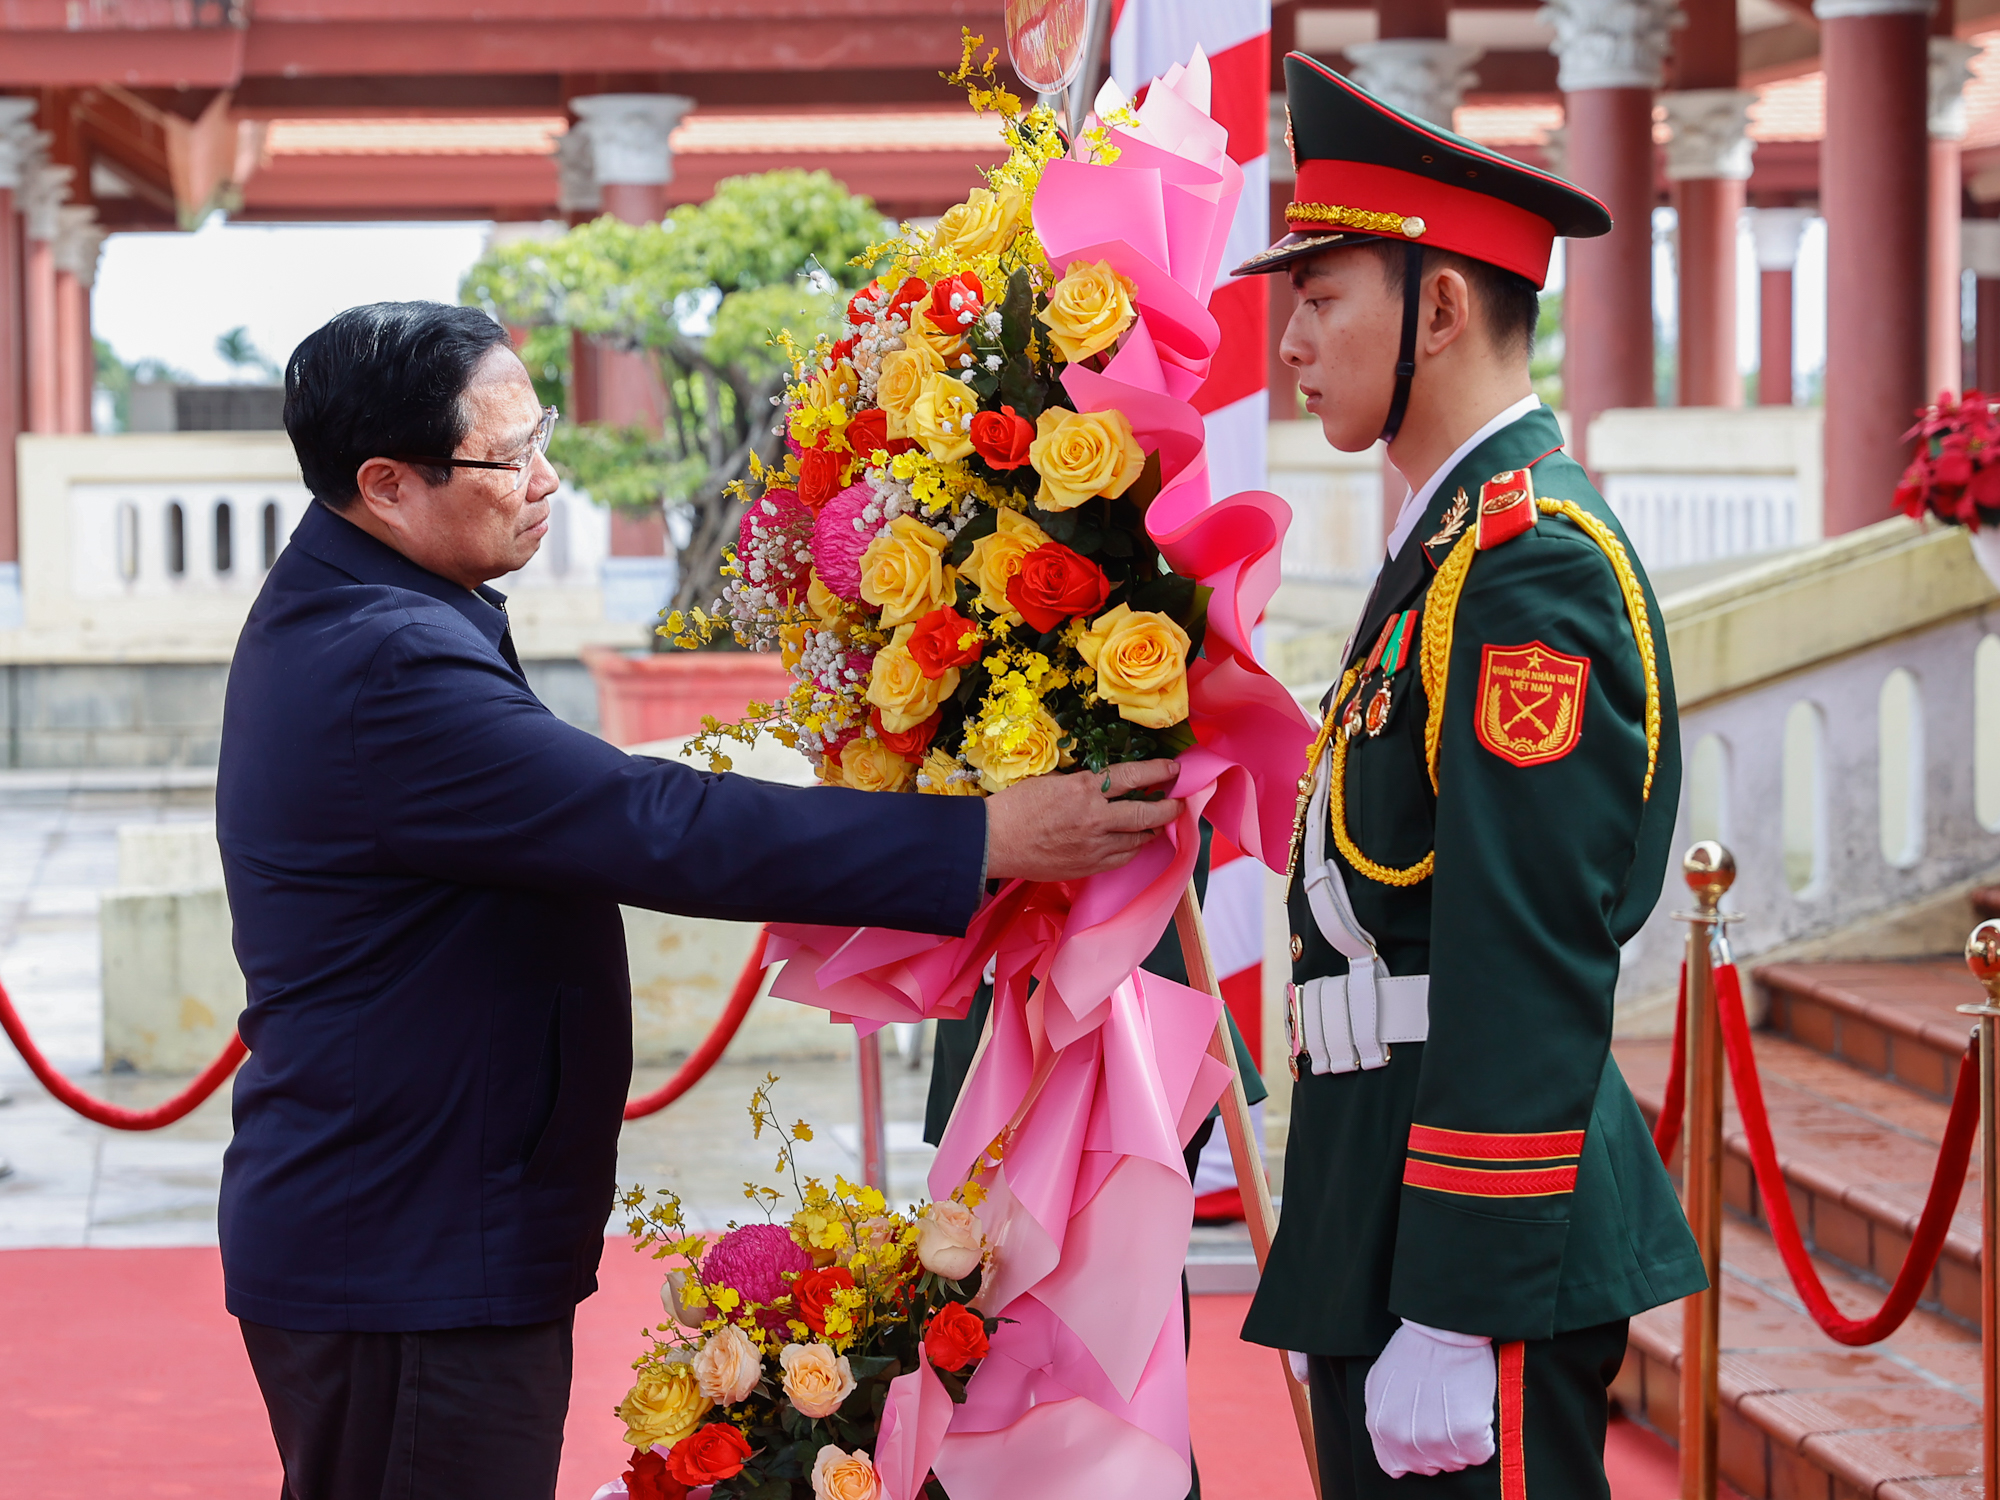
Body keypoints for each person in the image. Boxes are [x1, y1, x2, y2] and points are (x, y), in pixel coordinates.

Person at [216, 301, 1183, 1500]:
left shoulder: (369, 605)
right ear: (385, 483)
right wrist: (985, 833)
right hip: (407, 1243)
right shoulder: (384, 658)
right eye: (508, 457)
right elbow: (651, 824)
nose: (546, 477)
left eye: (542, 436)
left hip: (413, 1218)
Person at [1231, 59, 1705, 1500]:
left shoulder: (1527, 568)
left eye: (1322, 299)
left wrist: (1459, 1297)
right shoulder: (1446, 557)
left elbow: (1526, 940)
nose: (1293, 343)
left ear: (1437, 308)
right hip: (1386, 1188)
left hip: (1466, 1225)